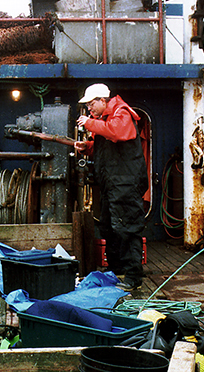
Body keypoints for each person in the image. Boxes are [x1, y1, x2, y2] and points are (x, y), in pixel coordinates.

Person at [74, 83, 148, 291]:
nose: (89, 108)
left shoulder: (121, 113)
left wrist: (88, 123)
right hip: (112, 184)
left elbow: (116, 133)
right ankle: (117, 271)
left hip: (125, 183)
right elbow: (108, 145)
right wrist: (87, 147)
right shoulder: (104, 120)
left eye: (91, 104)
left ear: (102, 100)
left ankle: (133, 277)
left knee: (127, 228)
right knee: (108, 226)